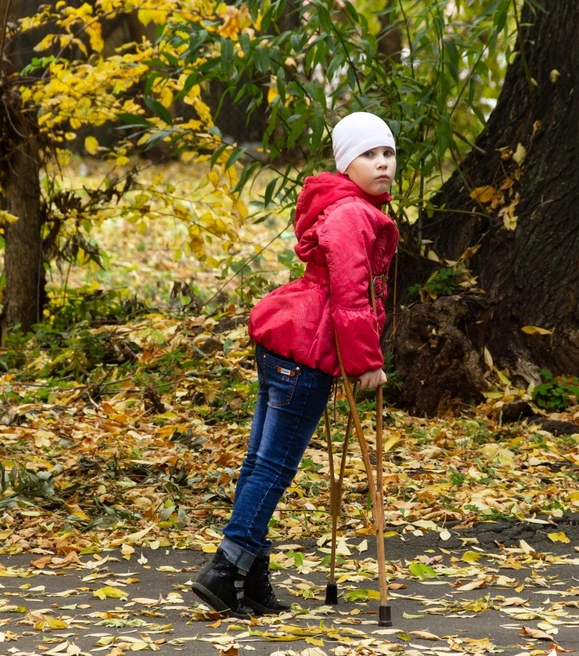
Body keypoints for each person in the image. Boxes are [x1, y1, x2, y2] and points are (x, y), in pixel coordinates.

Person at [191, 112, 399, 618]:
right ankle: (225, 568)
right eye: (368, 154)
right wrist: (366, 360)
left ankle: (253, 584)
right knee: (276, 465)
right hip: (310, 347)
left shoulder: (344, 205)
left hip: (289, 339)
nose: (382, 163)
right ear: (347, 163)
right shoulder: (352, 213)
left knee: (260, 462)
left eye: (388, 154)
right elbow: (350, 292)